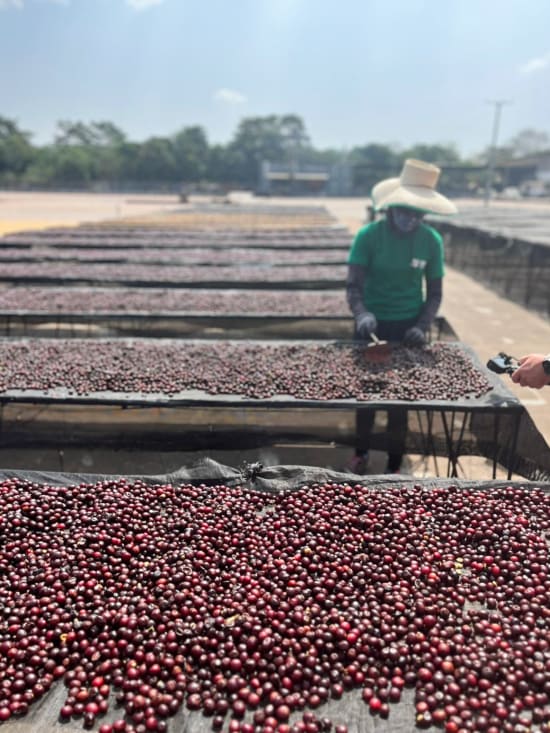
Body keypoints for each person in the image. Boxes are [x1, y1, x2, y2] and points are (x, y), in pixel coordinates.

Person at [346, 158, 457, 474]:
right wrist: (361, 313)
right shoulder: (368, 236)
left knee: (400, 401)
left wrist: (422, 325)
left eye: (418, 212)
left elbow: (434, 292)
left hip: (409, 327)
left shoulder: (430, 241)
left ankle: (395, 463)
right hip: (371, 327)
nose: (411, 219)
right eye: (405, 211)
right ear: (390, 207)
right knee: (366, 394)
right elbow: (353, 286)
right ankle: (361, 453)